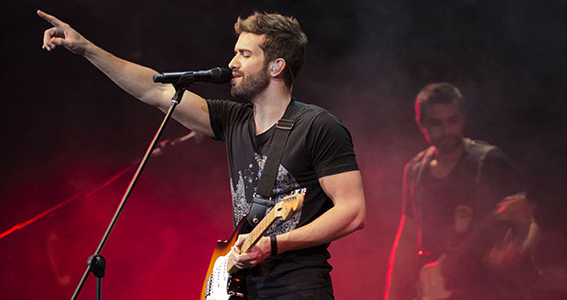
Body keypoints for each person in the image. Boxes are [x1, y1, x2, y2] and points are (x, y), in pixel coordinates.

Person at [38, 10, 366, 299]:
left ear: (276, 66)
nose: (232, 63)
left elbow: (352, 212)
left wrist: (275, 244)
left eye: (245, 54)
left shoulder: (318, 126)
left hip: (298, 289)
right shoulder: (234, 120)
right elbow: (155, 90)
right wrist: (87, 49)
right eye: (235, 53)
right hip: (244, 286)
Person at [384, 83, 540, 300]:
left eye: (453, 121)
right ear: (421, 124)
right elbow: (407, 239)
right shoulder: (415, 170)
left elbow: (528, 221)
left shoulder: (489, 162)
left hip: (489, 290)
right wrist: (391, 297)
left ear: (464, 118)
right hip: (438, 289)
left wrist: (519, 249)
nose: (447, 130)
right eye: (436, 123)